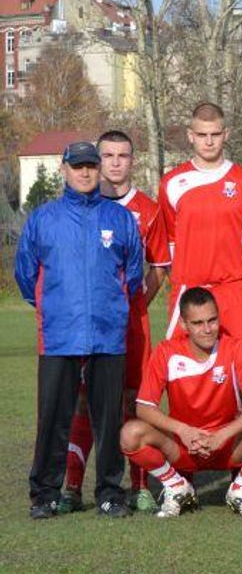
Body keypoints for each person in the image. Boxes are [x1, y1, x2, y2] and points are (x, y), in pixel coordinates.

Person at [16, 140, 144, 519]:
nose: (86, 172)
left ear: (99, 168)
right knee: (55, 417)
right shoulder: (43, 219)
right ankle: (46, 494)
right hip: (60, 334)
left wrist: (112, 305)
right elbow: (26, 274)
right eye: (78, 166)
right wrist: (52, 308)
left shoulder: (119, 218)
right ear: (65, 169)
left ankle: (109, 492)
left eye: (91, 165)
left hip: (108, 333)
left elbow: (133, 273)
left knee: (109, 418)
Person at [61, 130, 170, 515]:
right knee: (84, 400)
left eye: (123, 155)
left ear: (132, 160)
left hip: (131, 322)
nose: (115, 163)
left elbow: (159, 266)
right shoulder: (80, 208)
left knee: (133, 401)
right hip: (86, 322)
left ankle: (139, 485)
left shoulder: (150, 209)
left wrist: (135, 303)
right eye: (108, 155)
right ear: (98, 160)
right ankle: (73, 485)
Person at [120, 287, 242, 519]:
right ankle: (176, 486)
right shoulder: (167, 352)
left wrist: (223, 435)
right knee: (130, 434)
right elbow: (143, 407)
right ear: (184, 325)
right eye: (198, 323)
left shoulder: (235, 348)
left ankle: (240, 489)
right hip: (184, 447)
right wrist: (183, 431)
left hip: (227, 447)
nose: (207, 329)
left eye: (212, 320)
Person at [158, 102, 242, 344]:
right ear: (190, 136)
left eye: (215, 134)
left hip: (233, 292)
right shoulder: (171, 183)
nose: (209, 141)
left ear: (226, 134)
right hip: (188, 290)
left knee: (241, 375)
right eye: (202, 135)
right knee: (183, 374)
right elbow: (169, 241)